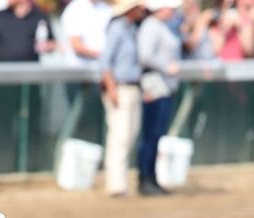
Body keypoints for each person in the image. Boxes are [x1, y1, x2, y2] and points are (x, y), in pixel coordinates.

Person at [0, 0, 56, 171]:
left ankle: (30, 168)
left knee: (30, 129)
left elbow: (52, 42)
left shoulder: (39, 16)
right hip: (2, 87)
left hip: (30, 86)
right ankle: (3, 168)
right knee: (2, 128)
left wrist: (48, 46)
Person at [101, 0, 145, 197]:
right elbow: (106, 62)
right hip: (120, 87)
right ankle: (116, 184)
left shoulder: (131, 29)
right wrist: (111, 88)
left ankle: (120, 183)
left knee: (128, 134)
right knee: (120, 135)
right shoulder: (118, 29)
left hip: (131, 86)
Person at [137, 0, 179, 196]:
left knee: (156, 135)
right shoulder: (151, 27)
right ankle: (145, 178)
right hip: (155, 87)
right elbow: (145, 56)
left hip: (164, 87)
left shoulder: (161, 26)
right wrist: (166, 66)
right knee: (150, 135)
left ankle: (151, 178)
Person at [59, 0, 111, 66]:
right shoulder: (75, 9)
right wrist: (105, 56)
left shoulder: (107, 7)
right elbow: (76, 46)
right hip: (81, 69)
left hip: (104, 67)